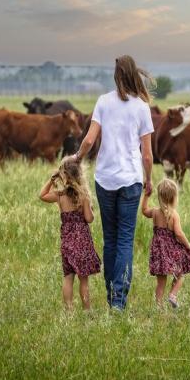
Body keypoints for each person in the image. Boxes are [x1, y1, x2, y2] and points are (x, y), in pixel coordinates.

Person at [71, 55, 154, 310]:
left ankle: (111, 293)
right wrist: (148, 180)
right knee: (125, 240)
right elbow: (148, 154)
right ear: (133, 75)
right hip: (131, 180)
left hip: (105, 179)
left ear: (116, 75)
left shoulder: (103, 102)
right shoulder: (142, 106)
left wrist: (77, 158)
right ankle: (118, 301)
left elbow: (88, 140)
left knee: (110, 239)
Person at [39, 157, 101, 311]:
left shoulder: (60, 196)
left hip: (67, 243)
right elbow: (89, 218)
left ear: (64, 176)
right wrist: (91, 210)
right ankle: (87, 310)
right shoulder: (83, 196)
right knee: (83, 279)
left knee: (68, 278)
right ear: (79, 175)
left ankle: (69, 311)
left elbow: (42, 195)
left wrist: (52, 179)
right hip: (82, 243)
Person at [141, 178, 190, 308]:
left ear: (159, 196)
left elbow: (144, 210)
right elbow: (179, 234)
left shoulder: (155, 212)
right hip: (172, 252)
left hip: (159, 252)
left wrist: (146, 195)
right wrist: (188, 246)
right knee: (179, 274)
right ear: (174, 197)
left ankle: (158, 307)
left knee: (161, 282)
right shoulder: (174, 215)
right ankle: (173, 295)